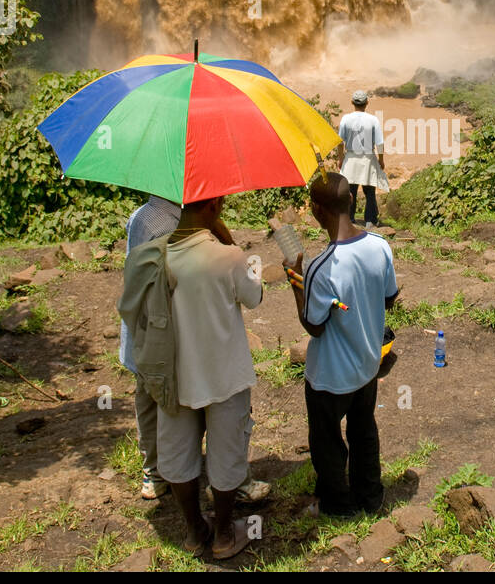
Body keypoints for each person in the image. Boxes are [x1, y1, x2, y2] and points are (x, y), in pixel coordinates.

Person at [282, 172, 398, 518]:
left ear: (317, 211)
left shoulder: (320, 267)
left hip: (330, 376)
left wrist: (295, 281)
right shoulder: (379, 245)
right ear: (352, 201)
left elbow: (314, 326)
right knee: (364, 430)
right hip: (367, 364)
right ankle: (370, 494)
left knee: (327, 440)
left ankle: (338, 504)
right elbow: (389, 299)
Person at [153, 196, 263, 560]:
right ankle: (223, 534)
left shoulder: (157, 257)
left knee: (178, 454)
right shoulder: (228, 257)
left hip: (174, 376)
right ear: (213, 206)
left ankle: (193, 529)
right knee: (227, 453)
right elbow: (255, 296)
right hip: (223, 377)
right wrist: (231, 244)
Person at [119, 194, 183, 500]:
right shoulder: (170, 225)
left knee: (145, 399)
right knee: (165, 399)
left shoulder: (141, 215)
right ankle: (168, 468)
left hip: (139, 325)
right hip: (157, 329)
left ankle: (153, 471)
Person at [337, 90, 389, 227]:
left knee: (350, 190)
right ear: (367, 103)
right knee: (370, 191)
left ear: (352, 103)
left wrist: (340, 158)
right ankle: (370, 220)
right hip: (367, 157)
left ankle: (349, 219)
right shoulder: (373, 120)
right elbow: (379, 143)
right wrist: (381, 159)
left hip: (351, 157)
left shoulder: (345, 119)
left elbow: (339, 142)